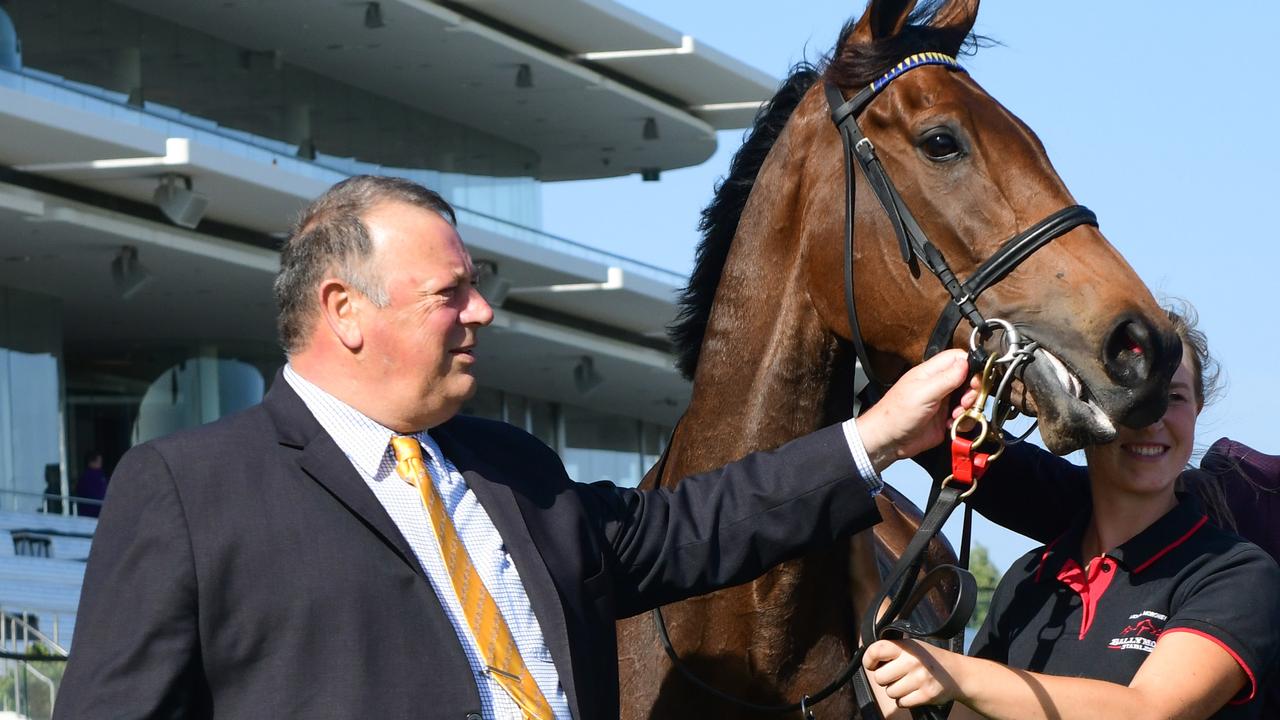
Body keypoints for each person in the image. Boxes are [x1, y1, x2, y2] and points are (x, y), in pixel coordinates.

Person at [54, 175, 978, 720]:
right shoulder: (188, 489)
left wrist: (880, 434)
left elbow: (695, 525)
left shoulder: (514, 468)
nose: (482, 312)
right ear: (344, 311)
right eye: (449, 293)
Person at [864, 314, 1280, 719]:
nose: (1152, 419)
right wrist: (893, 661)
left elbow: (1150, 710)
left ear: (1197, 409)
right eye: (1128, 394)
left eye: (1173, 397)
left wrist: (956, 674)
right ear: (1081, 410)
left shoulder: (1236, 573)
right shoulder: (1027, 578)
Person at [74, 451, 108, 518]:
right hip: (92, 514)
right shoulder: (87, 478)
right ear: (91, 462)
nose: (100, 464)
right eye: (98, 461)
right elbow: (93, 496)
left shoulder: (100, 475)